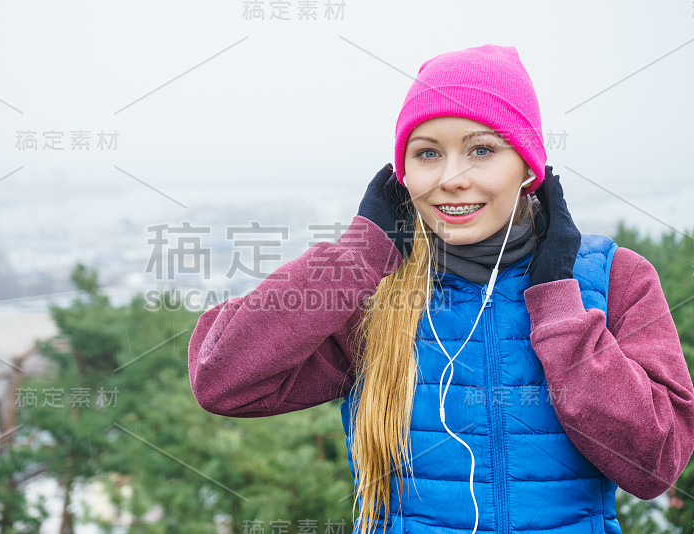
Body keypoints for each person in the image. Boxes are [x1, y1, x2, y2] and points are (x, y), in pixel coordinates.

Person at [188, 44, 694, 534]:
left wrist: (560, 307)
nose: (452, 178)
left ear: (527, 165)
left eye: (481, 150)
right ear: (401, 174)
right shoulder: (373, 294)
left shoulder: (615, 279)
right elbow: (220, 377)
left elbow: (655, 464)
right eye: (428, 153)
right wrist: (358, 254)